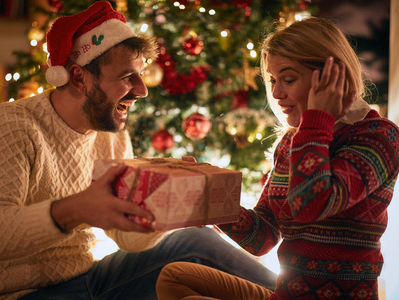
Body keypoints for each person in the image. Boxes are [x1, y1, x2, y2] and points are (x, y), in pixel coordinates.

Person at [0, 2, 277, 299]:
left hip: (86, 280)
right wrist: (77, 209)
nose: (142, 90)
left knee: (195, 241)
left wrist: (164, 207)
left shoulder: (109, 131)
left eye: (141, 75)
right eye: (127, 77)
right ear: (79, 77)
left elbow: (125, 239)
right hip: (13, 294)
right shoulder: (9, 125)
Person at [156, 17, 399, 300]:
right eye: (272, 80)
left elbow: (312, 203)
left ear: (331, 75)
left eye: (288, 79)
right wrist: (207, 191)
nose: (276, 93)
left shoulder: (378, 136)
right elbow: (263, 236)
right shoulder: (293, 141)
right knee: (175, 278)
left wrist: (316, 121)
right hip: (285, 295)